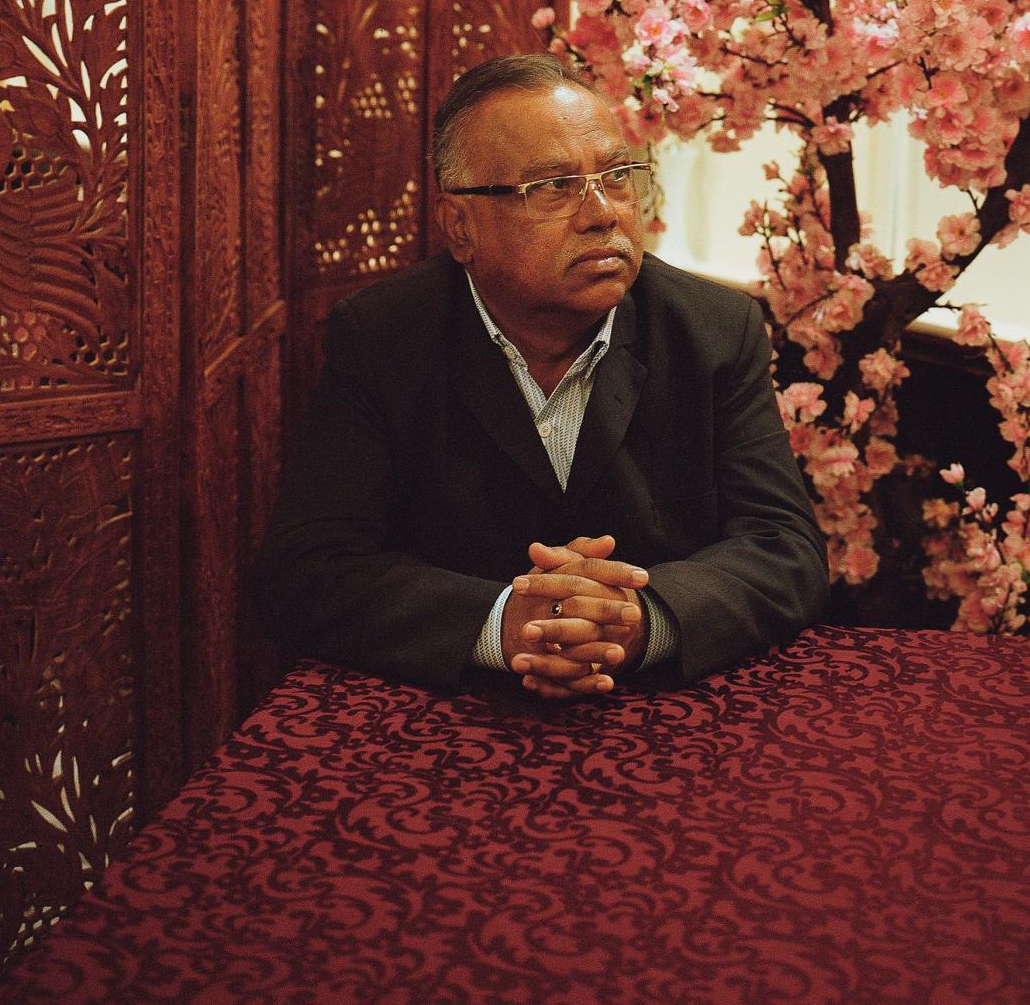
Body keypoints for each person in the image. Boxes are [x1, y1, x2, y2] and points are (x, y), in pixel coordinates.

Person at [255, 54, 828, 699]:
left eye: (618, 176)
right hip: (456, 708)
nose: (603, 213)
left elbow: (785, 548)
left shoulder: (713, 327)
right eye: (554, 186)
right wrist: (501, 625)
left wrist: (643, 620)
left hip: (658, 700)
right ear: (460, 225)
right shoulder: (384, 336)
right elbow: (306, 569)